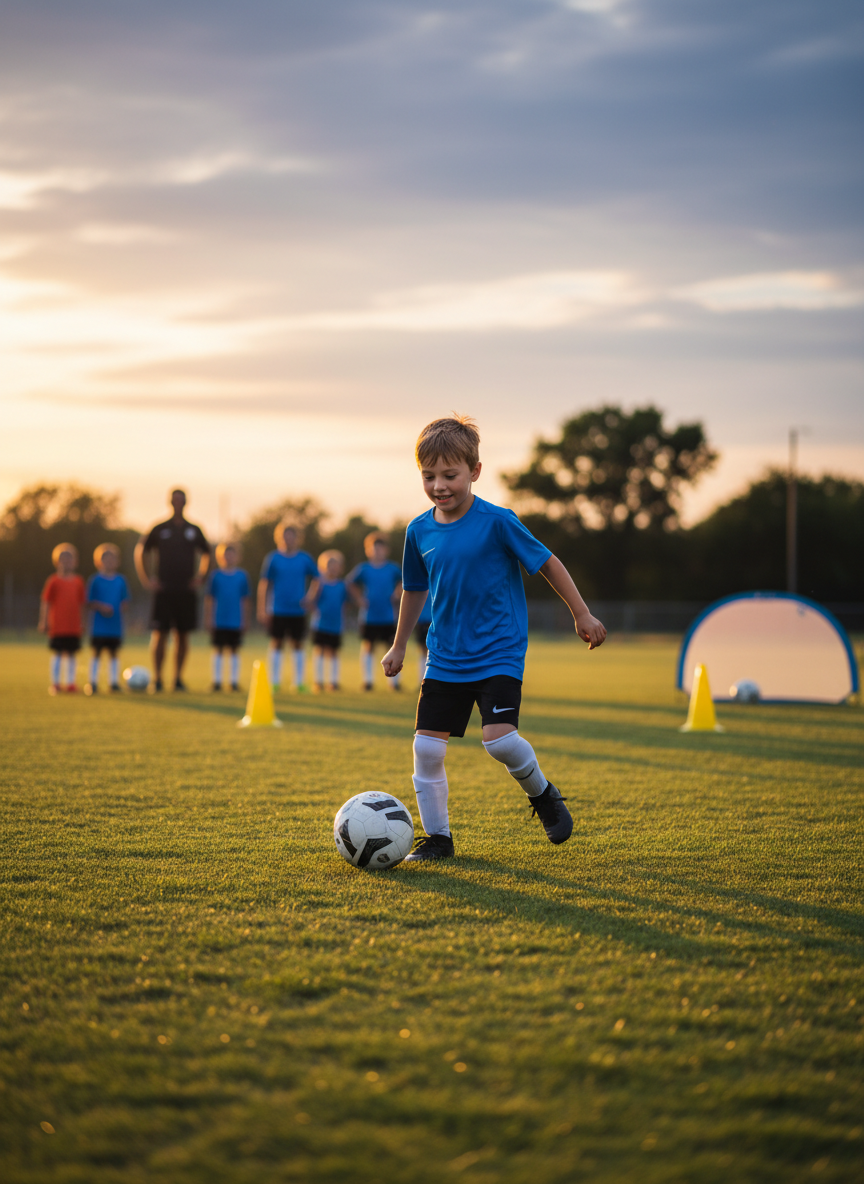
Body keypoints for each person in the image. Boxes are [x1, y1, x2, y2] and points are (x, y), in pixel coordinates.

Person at [382, 414, 607, 861]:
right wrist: (399, 643)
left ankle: (543, 795)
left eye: (450, 475)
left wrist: (580, 612)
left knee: (500, 741)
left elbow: (548, 562)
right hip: (445, 655)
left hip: (498, 651)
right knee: (426, 748)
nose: (439, 485)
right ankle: (439, 841)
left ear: (475, 472)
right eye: (429, 476)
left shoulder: (498, 521)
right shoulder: (418, 531)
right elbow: (414, 588)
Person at [134, 489, 210, 692]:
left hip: (186, 591)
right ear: (170, 502)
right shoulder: (159, 528)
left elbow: (207, 553)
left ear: (186, 503)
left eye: (182, 500)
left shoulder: (194, 529)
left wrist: (200, 577)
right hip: (164, 591)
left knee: (182, 635)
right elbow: (141, 551)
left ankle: (177, 679)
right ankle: (157, 678)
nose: (178, 503)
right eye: (175, 500)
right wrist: (147, 579)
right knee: (160, 633)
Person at [257, 520, 318, 692]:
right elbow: (264, 584)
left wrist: (310, 597)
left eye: (291, 536)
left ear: (297, 538)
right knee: (276, 643)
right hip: (277, 609)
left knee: (298, 644)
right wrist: (263, 608)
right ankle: (274, 682)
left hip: (298, 609)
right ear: (279, 538)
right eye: (284, 536)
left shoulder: (304, 558)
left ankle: (298, 683)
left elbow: (317, 579)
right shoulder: (273, 558)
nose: (288, 540)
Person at [347, 532, 403, 691]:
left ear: (386, 550)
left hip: (388, 615)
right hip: (369, 616)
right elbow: (350, 583)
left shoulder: (393, 568)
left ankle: (394, 682)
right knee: (368, 647)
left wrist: (397, 594)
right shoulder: (363, 569)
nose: (377, 552)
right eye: (374, 549)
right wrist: (359, 599)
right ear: (368, 550)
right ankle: (368, 681)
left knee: (391, 647)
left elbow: (404, 581)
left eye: (380, 548)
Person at [38, 543, 86, 695]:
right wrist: (43, 621)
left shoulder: (78, 581)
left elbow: (81, 604)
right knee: (57, 653)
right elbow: (46, 602)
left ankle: (71, 683)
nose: (66, 562)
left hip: (73, 625)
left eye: (69, 559)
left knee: (71, 654)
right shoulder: (53, 581)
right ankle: (56, 683)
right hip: (57, 625)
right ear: (56, 562)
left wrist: (82, 623)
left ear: (75, 562)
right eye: (62, 559)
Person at [204, 542, 250, 692]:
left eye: (231, 554)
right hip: (219, 619)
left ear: (237, 557)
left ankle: (233, 682)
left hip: (235, 620)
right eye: (225, 555)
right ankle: (216, 682)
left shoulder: (242, 576)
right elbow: (210, 599)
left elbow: (245, 600)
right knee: (218, 649)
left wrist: (245, 619)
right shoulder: (215, 576)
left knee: (234, 650)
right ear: (219, 557)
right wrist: (209, 618)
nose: (228, 558)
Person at [85, 543, 130, 694]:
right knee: (96, 653)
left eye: (113, 559)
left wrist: (122, 607)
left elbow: (125, 600)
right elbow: (89, 602)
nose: (110, 562)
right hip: (99, 626)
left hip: (115, 626)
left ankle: (114, 683)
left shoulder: (121, 580)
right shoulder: (95, 580)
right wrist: (102, 607)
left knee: (114, 654)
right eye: (106, 559)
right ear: (99, 561)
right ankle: (93, 682)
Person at [304, 549, 350, 692]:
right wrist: (315, 610)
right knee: (320, 651)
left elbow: (345, 604)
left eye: (336, 565)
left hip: (336, 625)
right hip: (320, 624)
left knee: (334, 652)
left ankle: (333, 682)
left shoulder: (342, 585)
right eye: (330, 564)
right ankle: (318, 681)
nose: (333, 568)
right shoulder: (319, 583)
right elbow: (310, 600)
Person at [414, 594, 433, 684]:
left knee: (426, 651)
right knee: (423, 650)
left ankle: (426, 679)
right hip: (423, 620)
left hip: (431, 619)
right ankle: (423, 678)